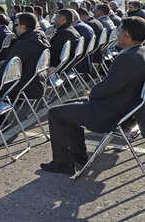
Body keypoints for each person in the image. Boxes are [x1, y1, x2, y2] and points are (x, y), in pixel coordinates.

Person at [41, 17, 145, 174]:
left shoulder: (127, 57)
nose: (117, 34)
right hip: (123, 106)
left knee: (55, 113)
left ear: (126, 35)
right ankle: (79, 156)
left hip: (110, 112)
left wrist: (93, 94)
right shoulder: (140, 52)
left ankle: (63, 163)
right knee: (70, 105)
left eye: (119, 31)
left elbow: (107, 88)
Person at [0, 12, 50, 127]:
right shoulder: (39, 37)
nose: (15, 27)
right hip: (36, 82)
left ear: (23, 27)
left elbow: (8, 68)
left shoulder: (24, 43)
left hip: (24, 85)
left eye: (16, 25)